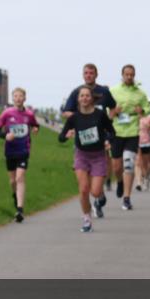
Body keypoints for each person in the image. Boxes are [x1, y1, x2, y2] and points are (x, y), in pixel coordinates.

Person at [59, 85, 115, 232]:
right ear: (78, 99)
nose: (84, 98)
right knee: (83, 190)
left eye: (87, 95)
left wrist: (108, 140)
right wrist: (66, 135)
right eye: (81, 96)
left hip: (98, 156)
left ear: (92, 99)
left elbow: (112, 132)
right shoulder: (74, 117)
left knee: (94, 192)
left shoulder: (100, 115)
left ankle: (100, 196)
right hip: (81, 156)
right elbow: (61, 137)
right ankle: (87, 218)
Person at [62, 63, 116, 208]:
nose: (88, 75)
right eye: (86, 73)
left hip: (100, 136)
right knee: (84, 179)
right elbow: (66, 111)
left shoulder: (104, 91)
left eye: (91, 73)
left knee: (99, 169)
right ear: (83, 75)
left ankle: (99, 192)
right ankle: (91, 201)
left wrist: (109, 119)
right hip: (82, 138)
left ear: (96, 74)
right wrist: (79, 118)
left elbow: (114, 107)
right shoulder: (77, 92)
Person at [0, 87, 40, 222]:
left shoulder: (29, 114)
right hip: (10, 151)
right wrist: (5, 135)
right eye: (16, 96)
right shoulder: (6, 113)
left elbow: (35, 125)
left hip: (24, 150)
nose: (18, 98)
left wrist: (36, 128)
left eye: (21, 96)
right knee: (13, 180)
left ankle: (20, 209)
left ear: (24, 98)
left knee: (20, 178)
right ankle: (15, 196)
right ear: (12, 98)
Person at [109, 65, 150, 211]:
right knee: (116, 167)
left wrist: (142, 110)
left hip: (132, 132)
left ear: (134, 76)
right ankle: (120, 181)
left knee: (128, 163)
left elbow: (147, 107)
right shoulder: (113, 91)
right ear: (122, 75)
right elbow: (107, 110)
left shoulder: (140, 93)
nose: (129, 77)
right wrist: (114, 111)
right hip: (116, 132)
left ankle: (127, 198)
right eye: (126, 74)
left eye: (132, 75)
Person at [136, 109, 150, 191]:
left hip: (146, 142)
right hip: (135, 141)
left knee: (145, 163)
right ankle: (138, 182)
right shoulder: (134, 117)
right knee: (138, 162)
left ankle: (146, 178)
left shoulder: (149, 117)